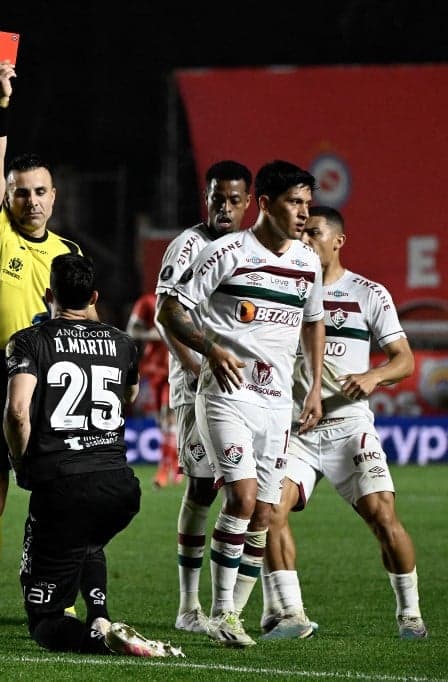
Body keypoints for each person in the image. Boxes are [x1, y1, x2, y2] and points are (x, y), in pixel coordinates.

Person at [156, 160, 325, 647]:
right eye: (295, 203)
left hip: (279, 405)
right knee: (240, 498)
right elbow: (170, 309)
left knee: (266, 515)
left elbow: (313, 320)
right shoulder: (225, 252)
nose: (302, 214)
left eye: (307, 205)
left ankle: (237, 616)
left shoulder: (306, 260)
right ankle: (219, 612)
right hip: (225, 395)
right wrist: (210, 350)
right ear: (267, 205)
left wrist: (313, 387)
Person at [0, 60, 91, 640]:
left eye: (39, 192)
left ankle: (55, 600)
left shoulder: (69, 250)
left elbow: (89, 319)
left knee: (62, 493)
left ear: (54, 196)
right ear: (6, 197)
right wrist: (1, 105)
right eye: (21, 193)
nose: (31, 201)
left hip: (54, 379)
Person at [259, 206, 427, 641]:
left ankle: (410, 614)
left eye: (314, 233)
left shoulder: (369, 293)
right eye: (302, 233)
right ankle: (291, 614)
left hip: (350, 428)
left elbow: (404, 360)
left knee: (382, 515)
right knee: (270, 509)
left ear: (338, 241)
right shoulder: (284, 288)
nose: (305, 240)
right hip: (297, 431)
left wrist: (373, 376)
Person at [2, 254, 183, 658]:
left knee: (44, 618)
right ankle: (100, 615)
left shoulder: (30, 340)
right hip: (119, 488)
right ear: (95, 296)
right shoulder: (123, 343)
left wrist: (22, 464)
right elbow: (130, 396)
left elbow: (16, 412)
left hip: (64, 486)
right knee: (87, 540)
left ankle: (101, 642)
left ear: (48, 294)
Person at [153, 160, 254, 633]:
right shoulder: (189, 245)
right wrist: (195, 369)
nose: (225, 208)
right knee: (200, 486)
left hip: (247, 389)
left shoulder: (249, 249)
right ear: (206, 197)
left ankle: (255, 604)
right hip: (198, 385)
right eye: (218, 198)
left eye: (234, 200)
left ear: (249, 202)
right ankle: (189, 607)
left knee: (250, 493)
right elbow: (163, 314)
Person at [126, 291, 180, 489]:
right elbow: (132, 330)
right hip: (154, 368)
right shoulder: (148, 301)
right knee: (162, 421)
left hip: (177, 367)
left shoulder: (187, 299)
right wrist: (155, 334)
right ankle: (174, 463)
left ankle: (163, 469)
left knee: (170, 416)